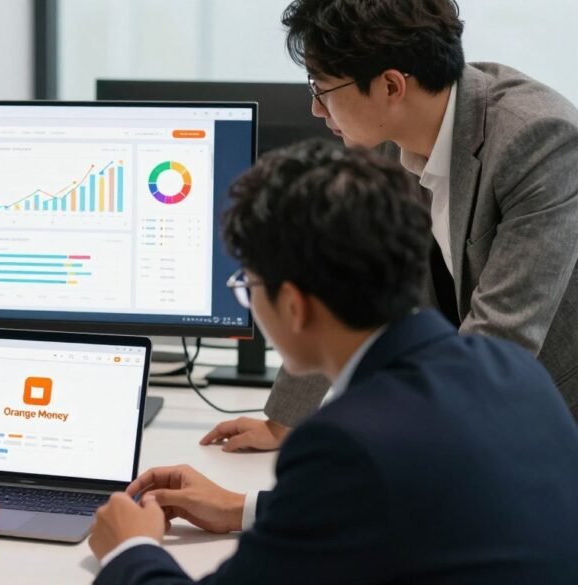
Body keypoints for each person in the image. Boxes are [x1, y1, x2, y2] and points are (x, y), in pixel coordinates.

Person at [88, 140, 578, 584]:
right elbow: (411, 500)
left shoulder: (348, 441)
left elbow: (367, 481)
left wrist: (129, 548)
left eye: (249, 287)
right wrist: (245, 509)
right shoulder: (513, 371)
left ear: (296, 306)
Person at [206, 0, 578, 454]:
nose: (316, 110)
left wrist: (365, 450)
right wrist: (285, 422)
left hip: (550, 421)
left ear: (390, 86)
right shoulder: (390, 138)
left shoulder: (538, 140)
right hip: (463, 410)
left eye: (322, 88)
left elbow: (501, 340)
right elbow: (341, 290)